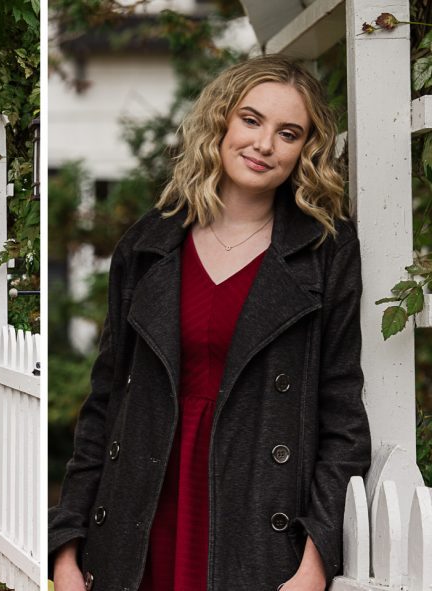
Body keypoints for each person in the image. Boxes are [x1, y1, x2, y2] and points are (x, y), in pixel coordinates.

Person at [49, 55, 371, 591]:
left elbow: (341, 414)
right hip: (141, 511)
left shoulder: (324, 252)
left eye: (288, 133)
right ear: (220, 122)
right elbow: (105, 402)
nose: (264, 144)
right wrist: (69, 543)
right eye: (251, 120)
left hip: (257, 520)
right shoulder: (148, 244)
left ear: (305, 151)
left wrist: (316, 561)